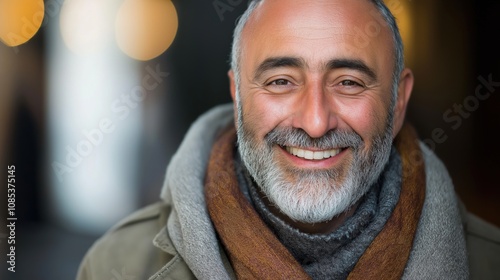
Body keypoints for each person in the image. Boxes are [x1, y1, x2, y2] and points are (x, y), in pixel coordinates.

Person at [76, 0, 500, 279]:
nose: (315, 123)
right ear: (238, 94)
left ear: (399, 101)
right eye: (281, 81)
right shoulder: (116, 267)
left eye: (349, 82)